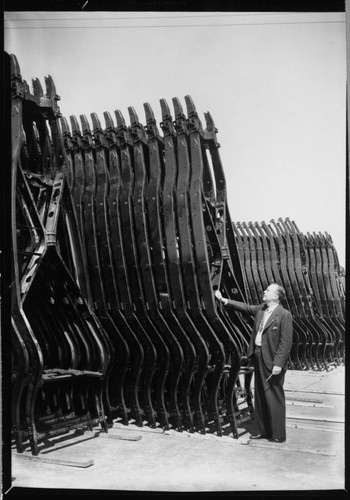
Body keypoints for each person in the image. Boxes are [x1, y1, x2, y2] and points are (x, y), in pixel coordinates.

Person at [215, 283, 293, 443]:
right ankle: (261, 430)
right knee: (260, 394)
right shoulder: (262, 309)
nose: (264, 292)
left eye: (268, 290)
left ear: (276, 296)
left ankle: (278, 434)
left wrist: (278, 364)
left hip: (273, 360)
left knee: (274, 395)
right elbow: (245, 307)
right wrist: (224, 300)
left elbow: (286, 343)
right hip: (258, 356)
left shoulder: (284, 314)